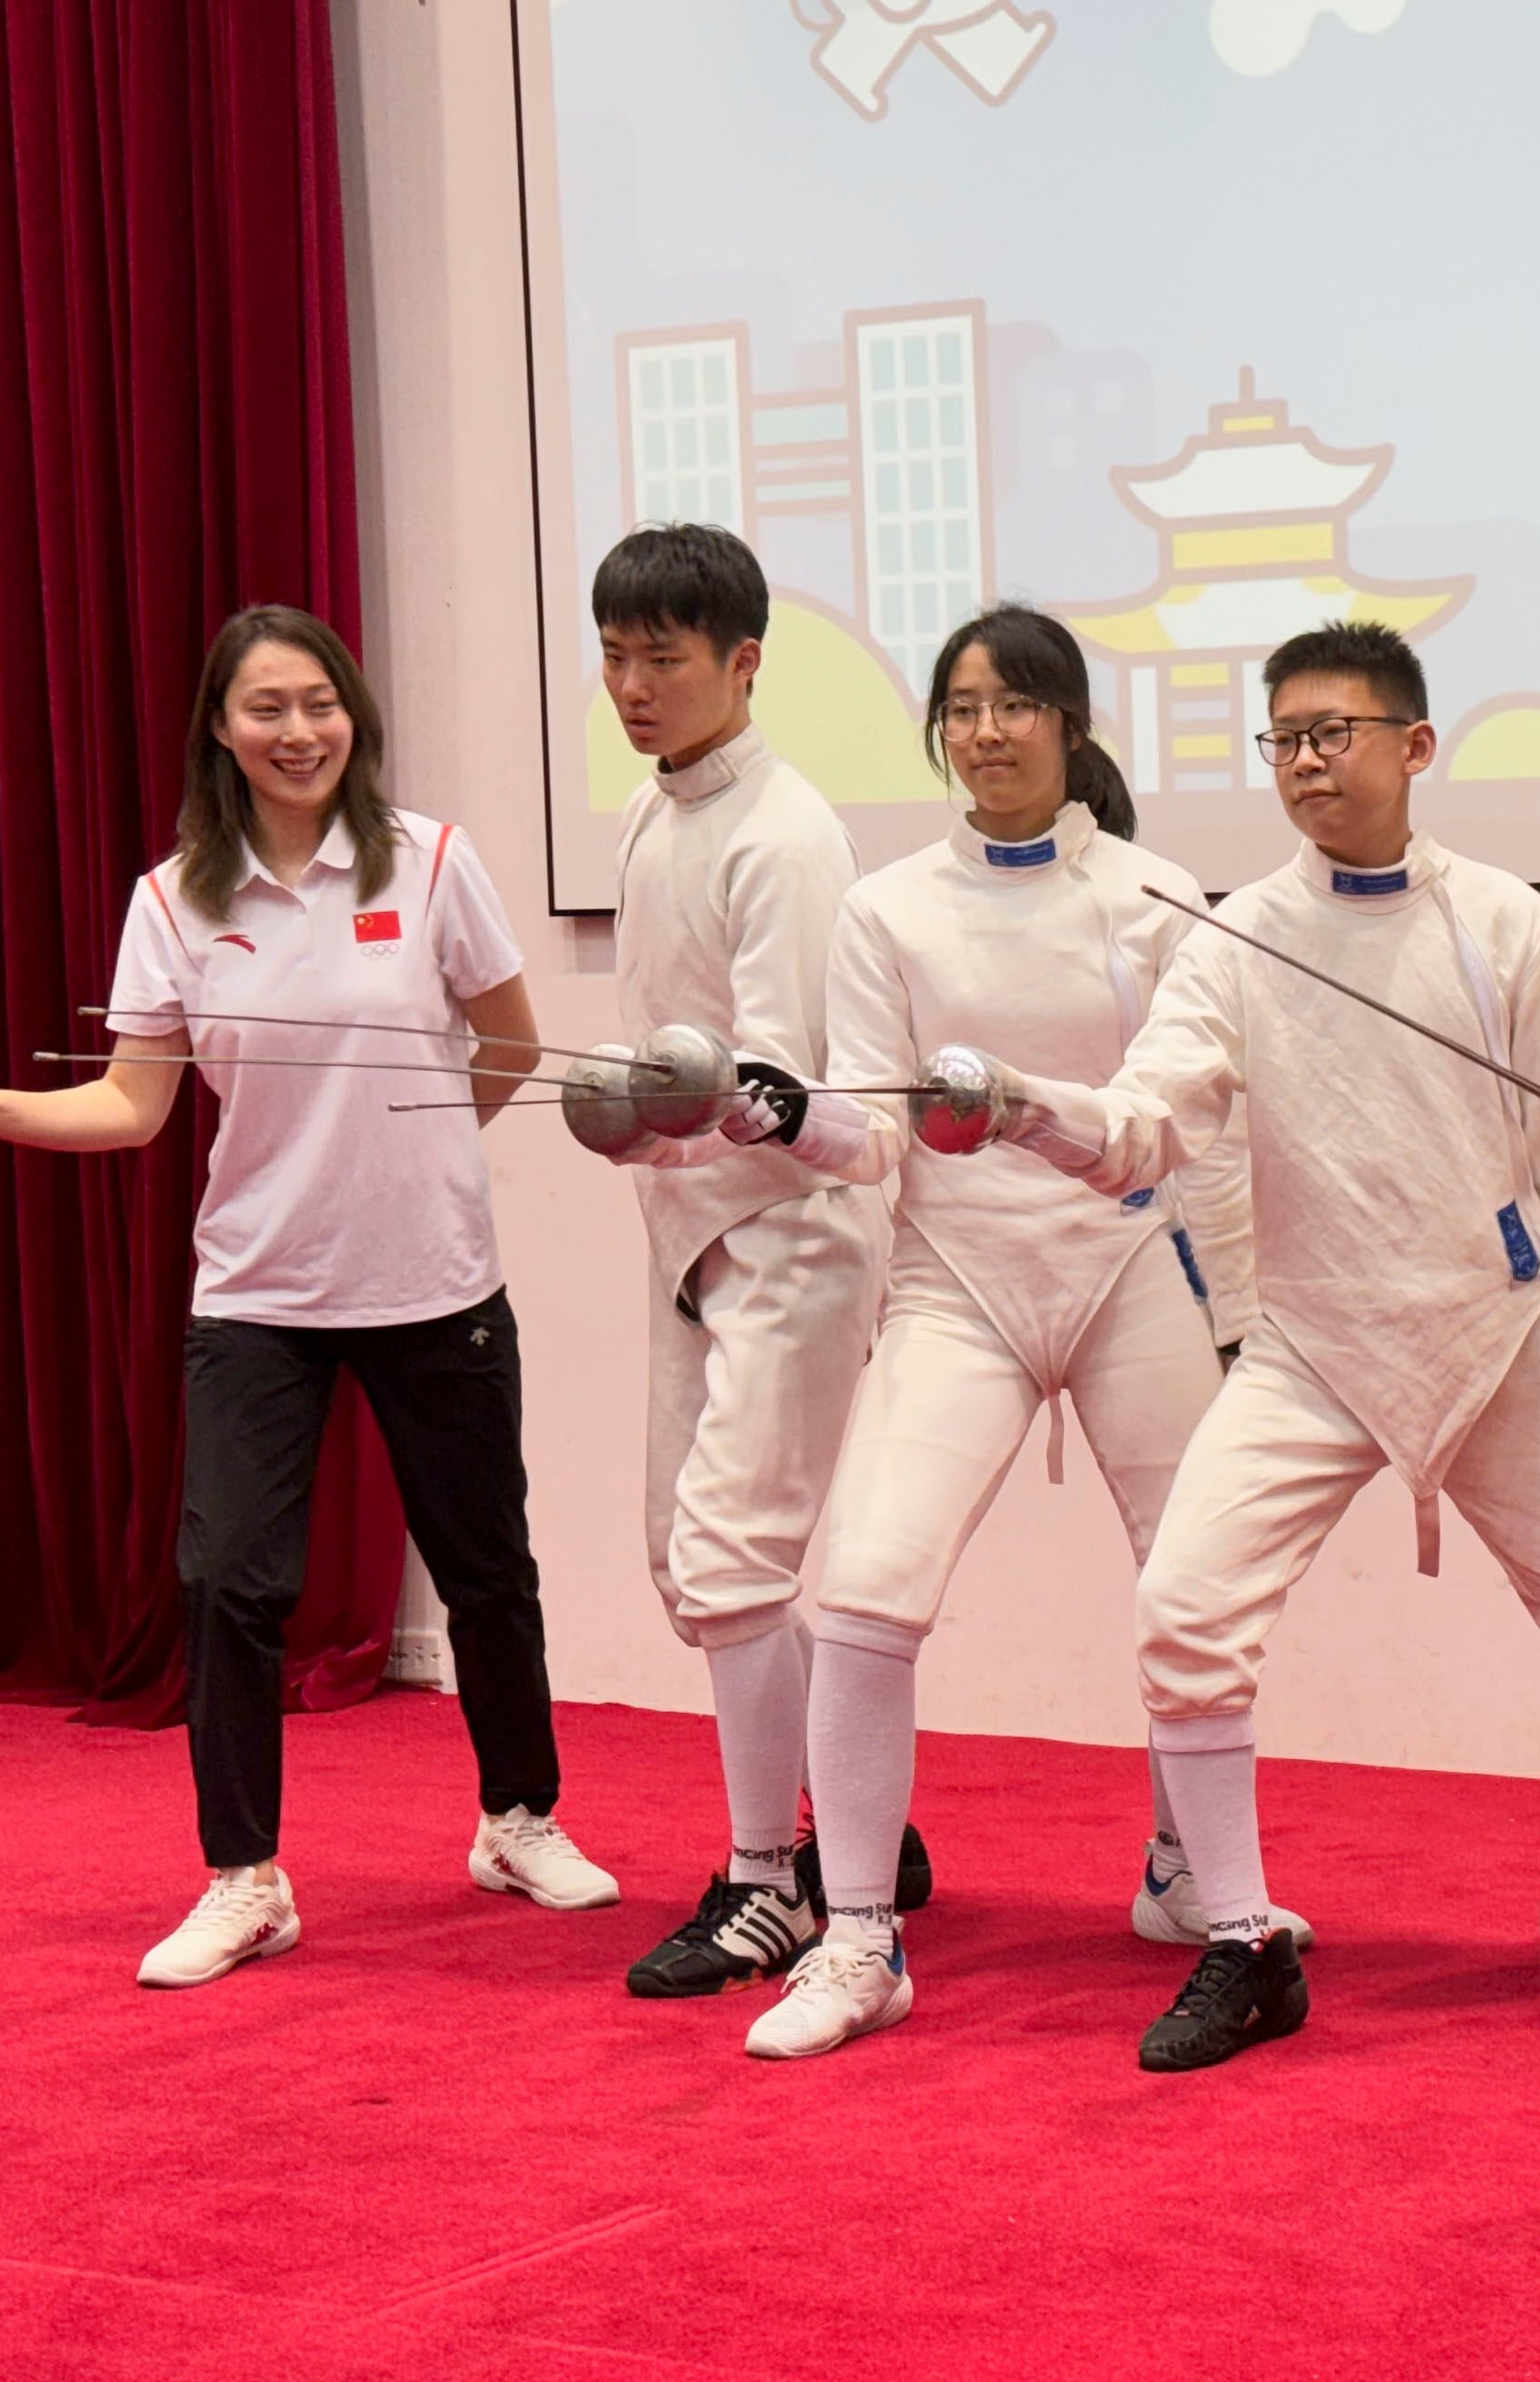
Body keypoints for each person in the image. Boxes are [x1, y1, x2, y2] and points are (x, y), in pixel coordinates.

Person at [915, 619, 1540, 2073]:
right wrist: (1022, 1104)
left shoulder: (1504, 922)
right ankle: (1243, 1937)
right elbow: (1148, 1121)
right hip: (1313, 1343)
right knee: (1185, 1613)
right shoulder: (1239, 935)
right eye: (1287, 740)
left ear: (1414, 745)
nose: (1311, 762)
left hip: (1502, 1330)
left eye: (1338, 732)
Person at [0, 604, 617, 1987]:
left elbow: (512, 1046)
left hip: (435, 1279)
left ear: (355, 716)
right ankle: (245, 1877)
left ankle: (519, 1820)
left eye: (321, 704)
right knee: (227, 1581)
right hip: (259, 1294)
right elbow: (131, 1105)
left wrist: (415, 1157)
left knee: (486, 1570)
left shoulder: (436, 861)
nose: (300, 733)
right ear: (221, 731)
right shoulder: (174, 900)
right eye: (267, 709)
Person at [735, 604, 1310, 2061]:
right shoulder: (888, 909)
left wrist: (1238, 1316)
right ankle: (860, 1932)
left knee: (1198, 1587)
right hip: (960, 1288)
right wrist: (792, 1120)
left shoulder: (1159, 897)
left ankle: (1196, 1889)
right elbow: (872, 1134)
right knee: (862, 1588)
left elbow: (1202, 1133)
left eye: (1016, 706)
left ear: (1070, 725)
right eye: (964, 708)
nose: (988, 732)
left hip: (1128, 1271)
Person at [590, 524, 918, 2006]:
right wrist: (631, 1119)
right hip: (696, 1235)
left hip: (790, 1234)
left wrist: (663, 1115)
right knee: (688, 1555)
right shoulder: (655, 821)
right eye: (614, 655)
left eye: (662, 657)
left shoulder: (784, 834)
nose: (633, 685)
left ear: (742, 661)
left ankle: (770, 1886)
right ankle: (851, 1822)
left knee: (734, 1558)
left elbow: (785, 1085)